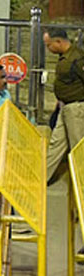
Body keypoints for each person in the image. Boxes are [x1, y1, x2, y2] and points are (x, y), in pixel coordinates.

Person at [45, 27, 84, 181]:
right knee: (56, 144)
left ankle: (80, 183)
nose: (48, 49)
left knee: (77, 147)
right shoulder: (66, 57)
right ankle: (41, 178)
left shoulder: (77, 58)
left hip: (76, 108)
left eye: (49, 45)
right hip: (65, 107)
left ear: (58, 42)